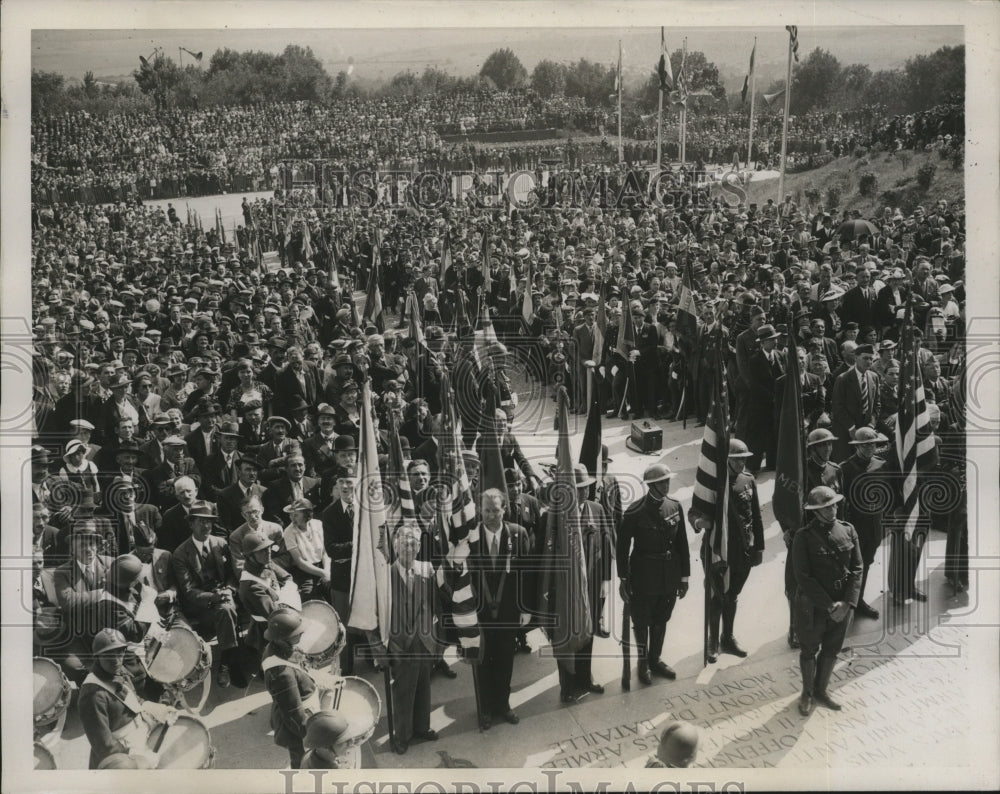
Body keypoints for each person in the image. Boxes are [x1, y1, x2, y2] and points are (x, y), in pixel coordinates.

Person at [792, 486, 863, 717]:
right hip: (814, 607)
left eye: (833, 505)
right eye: (825, 507)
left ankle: (821, 690)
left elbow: (857, 568)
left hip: (842, 606)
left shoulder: (848, 530)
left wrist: (847, 603)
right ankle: (807, 693)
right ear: (815, 511)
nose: (832, 510)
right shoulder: (803, 537)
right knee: (809, 650)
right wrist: (830, 605)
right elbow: (803, 577)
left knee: (832, 649)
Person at [617, 463, 690, 686]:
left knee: (661, 620)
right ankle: (642, 662)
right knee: (642, 621)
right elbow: (622, 547)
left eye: (668, 481)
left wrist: (684, 577)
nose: (666, 485)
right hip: (644, 576)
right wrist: (623, 579)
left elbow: (682, 544)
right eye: (662, 482)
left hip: (669, 575)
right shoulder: (635, 511)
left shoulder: (675, 507)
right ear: (651, 485)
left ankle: (655, 659)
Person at [468, 488, 532, 729]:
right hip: (480, 613)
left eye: (496, 510)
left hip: (508, 612)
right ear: (479, 510)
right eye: (486, 510)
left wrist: (525, 609)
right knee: (483, 660)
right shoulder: (470, 537)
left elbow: (527, 575)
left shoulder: (518, 534)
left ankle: (503, 705)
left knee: (506, 659)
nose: (491, 515)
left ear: (504, 509)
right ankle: (485, 709)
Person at [699, 439, 765, 663]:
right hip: (721, 549)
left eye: (744, 459)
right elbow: (701, 513)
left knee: (733, 594)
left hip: (743, 549)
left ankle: (727, 637)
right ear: (727, 460)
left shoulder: (748, 480)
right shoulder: (716, 484)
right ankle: (713, 641)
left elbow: (756, 516)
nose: (741, 463)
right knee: (718, 595)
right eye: (737, 460)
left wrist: (759, 548)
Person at [78, 628, 178, 769]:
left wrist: (157, 709)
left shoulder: (117, 670)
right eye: (109, 654)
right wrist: (137, 758)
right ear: (97, 657)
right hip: (121, 756)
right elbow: (104, 746)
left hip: (139, 734)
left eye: (120, 652)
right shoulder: (92, 695)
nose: (116, 659)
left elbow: (134, 700)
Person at [171, 500, 246, 688]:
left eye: (209, 522)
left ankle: (231, 660)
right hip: (200, 604)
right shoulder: (180, 553)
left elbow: (231, 575)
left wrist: (229, 590)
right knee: (226, 610)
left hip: (224, 596)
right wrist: (214, 597)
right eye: (201, 521)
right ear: (191, 524)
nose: (206, 526)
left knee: (229, 607)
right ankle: (228, 664)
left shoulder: (220, 543)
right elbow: (188, 591)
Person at [385, 524, 443, 754]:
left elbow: (435, 604)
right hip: (401, 644)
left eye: (413, 543)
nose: (408, 547)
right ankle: (403, 735)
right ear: (395, 545)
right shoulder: (386, 575)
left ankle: (422, 727)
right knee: (403, 691)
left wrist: (436, 639)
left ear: (419, 547)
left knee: (423, 686)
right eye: (404, 543)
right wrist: (388, 644)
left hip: (424, 640)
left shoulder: (427, 569)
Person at [261, 607, 321, 769]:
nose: (301, 636)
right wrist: (313, 739)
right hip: (299, 730)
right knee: (303, 764)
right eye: (295, 636)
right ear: (282, 639)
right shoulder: (282, 674)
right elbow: (295, 716)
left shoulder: (274, 649)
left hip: (297, 716)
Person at [840, 427, 890, 619]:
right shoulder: (845, 468)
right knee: (848, 565)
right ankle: (846, 602)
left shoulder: (881, 465)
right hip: (854, 525)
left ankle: (858, 600)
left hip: (874, 525)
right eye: (865, 445)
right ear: (857, 446)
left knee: (866, 563)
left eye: (873, 444)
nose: (870, 448)